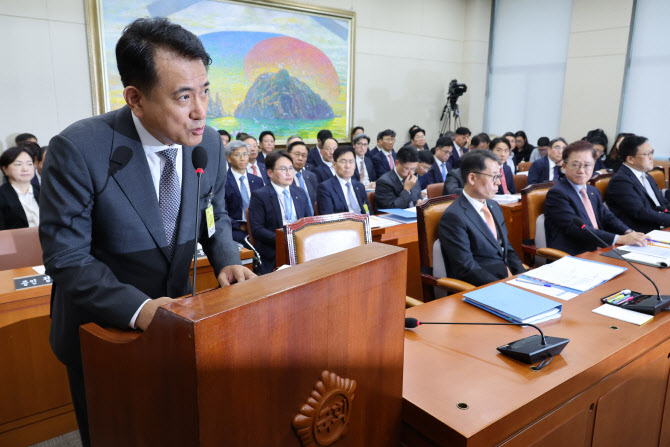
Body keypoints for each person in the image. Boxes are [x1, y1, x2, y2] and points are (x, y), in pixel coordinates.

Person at [38, 18, 255, 447]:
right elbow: (68, 258)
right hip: (103, 335)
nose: (201, 110)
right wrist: (141, 310)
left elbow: (214, 212)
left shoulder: (208, 144)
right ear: (136, 98)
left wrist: (227, 259)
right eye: (183, 97)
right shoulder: (80, 148)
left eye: (205, 91)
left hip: (177, 325)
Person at [438, 150, 525, 286]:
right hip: (482, 287)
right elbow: (466, 268)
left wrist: (523, 278)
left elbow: (507, 248)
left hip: (507, 279)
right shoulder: (454, 217)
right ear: (472, 178)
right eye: (494, 177)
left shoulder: (494, 206)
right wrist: (504, 285)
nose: (498, 183)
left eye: (499, 176)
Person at [544, 140, 646, 256]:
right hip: (577, 254)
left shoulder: (592, 191)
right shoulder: (557, 193)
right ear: (564, 166)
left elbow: (608, 217)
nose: (581, 171)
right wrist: (619, 239)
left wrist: (629, 232)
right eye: (575, 165)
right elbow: (576, 229)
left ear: (594, 165)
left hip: (601, 249)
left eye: (587, 165)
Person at [248, 150, 312, 274]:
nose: (289, 173)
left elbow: (309, 221)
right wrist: (284, 240)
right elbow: (257, 230)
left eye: (290, 168)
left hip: (301, 247)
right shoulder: (260, 195)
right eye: (283, 169)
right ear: (270, 172)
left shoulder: (299, 192)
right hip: (274, 249)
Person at [605, 135, 670, 233]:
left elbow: (662, 203)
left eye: (652, 152)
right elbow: (640, 212)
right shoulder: (621, 181)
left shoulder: (647, 176)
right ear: (631, 159)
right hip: (642, 234)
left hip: (661, 228)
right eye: (648, 154)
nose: (652, 157)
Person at [224, 140, 264, 243]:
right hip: (236, 229)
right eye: (237, 155)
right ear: (229, 158)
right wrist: (239, 226)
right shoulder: (223, 182)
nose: (242, 158)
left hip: (258, 226)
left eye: (245, 154)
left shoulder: (257, 181)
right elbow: (221, 211)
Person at [317, 146, 371, 215]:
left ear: (355, 165)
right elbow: (328, 217)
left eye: (351, 162)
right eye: (343, 162)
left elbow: (367, 210)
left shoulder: (359, 186)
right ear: (334, 165)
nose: (348, 166)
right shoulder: (325, 188)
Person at [0, 146, 40, 230]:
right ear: (5, 169)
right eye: (18, 164)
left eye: (29, 164)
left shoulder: (43, 191)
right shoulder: (2, 196)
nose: (25, 169)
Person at [287, 140, 318, 214]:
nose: (300, 158)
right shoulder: (284, 177)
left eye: (304, 155)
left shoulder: (311, 176)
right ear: (288, 155)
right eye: (297, 154)